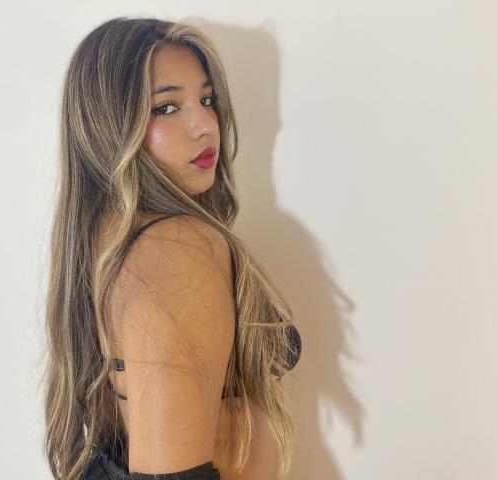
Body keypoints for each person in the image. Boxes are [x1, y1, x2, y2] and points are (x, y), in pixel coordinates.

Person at [43, 17, 302, 480]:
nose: (205, 126)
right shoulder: (176, 248)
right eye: (166, 108)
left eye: (207, 100)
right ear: (110, 128)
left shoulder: (110, 237)